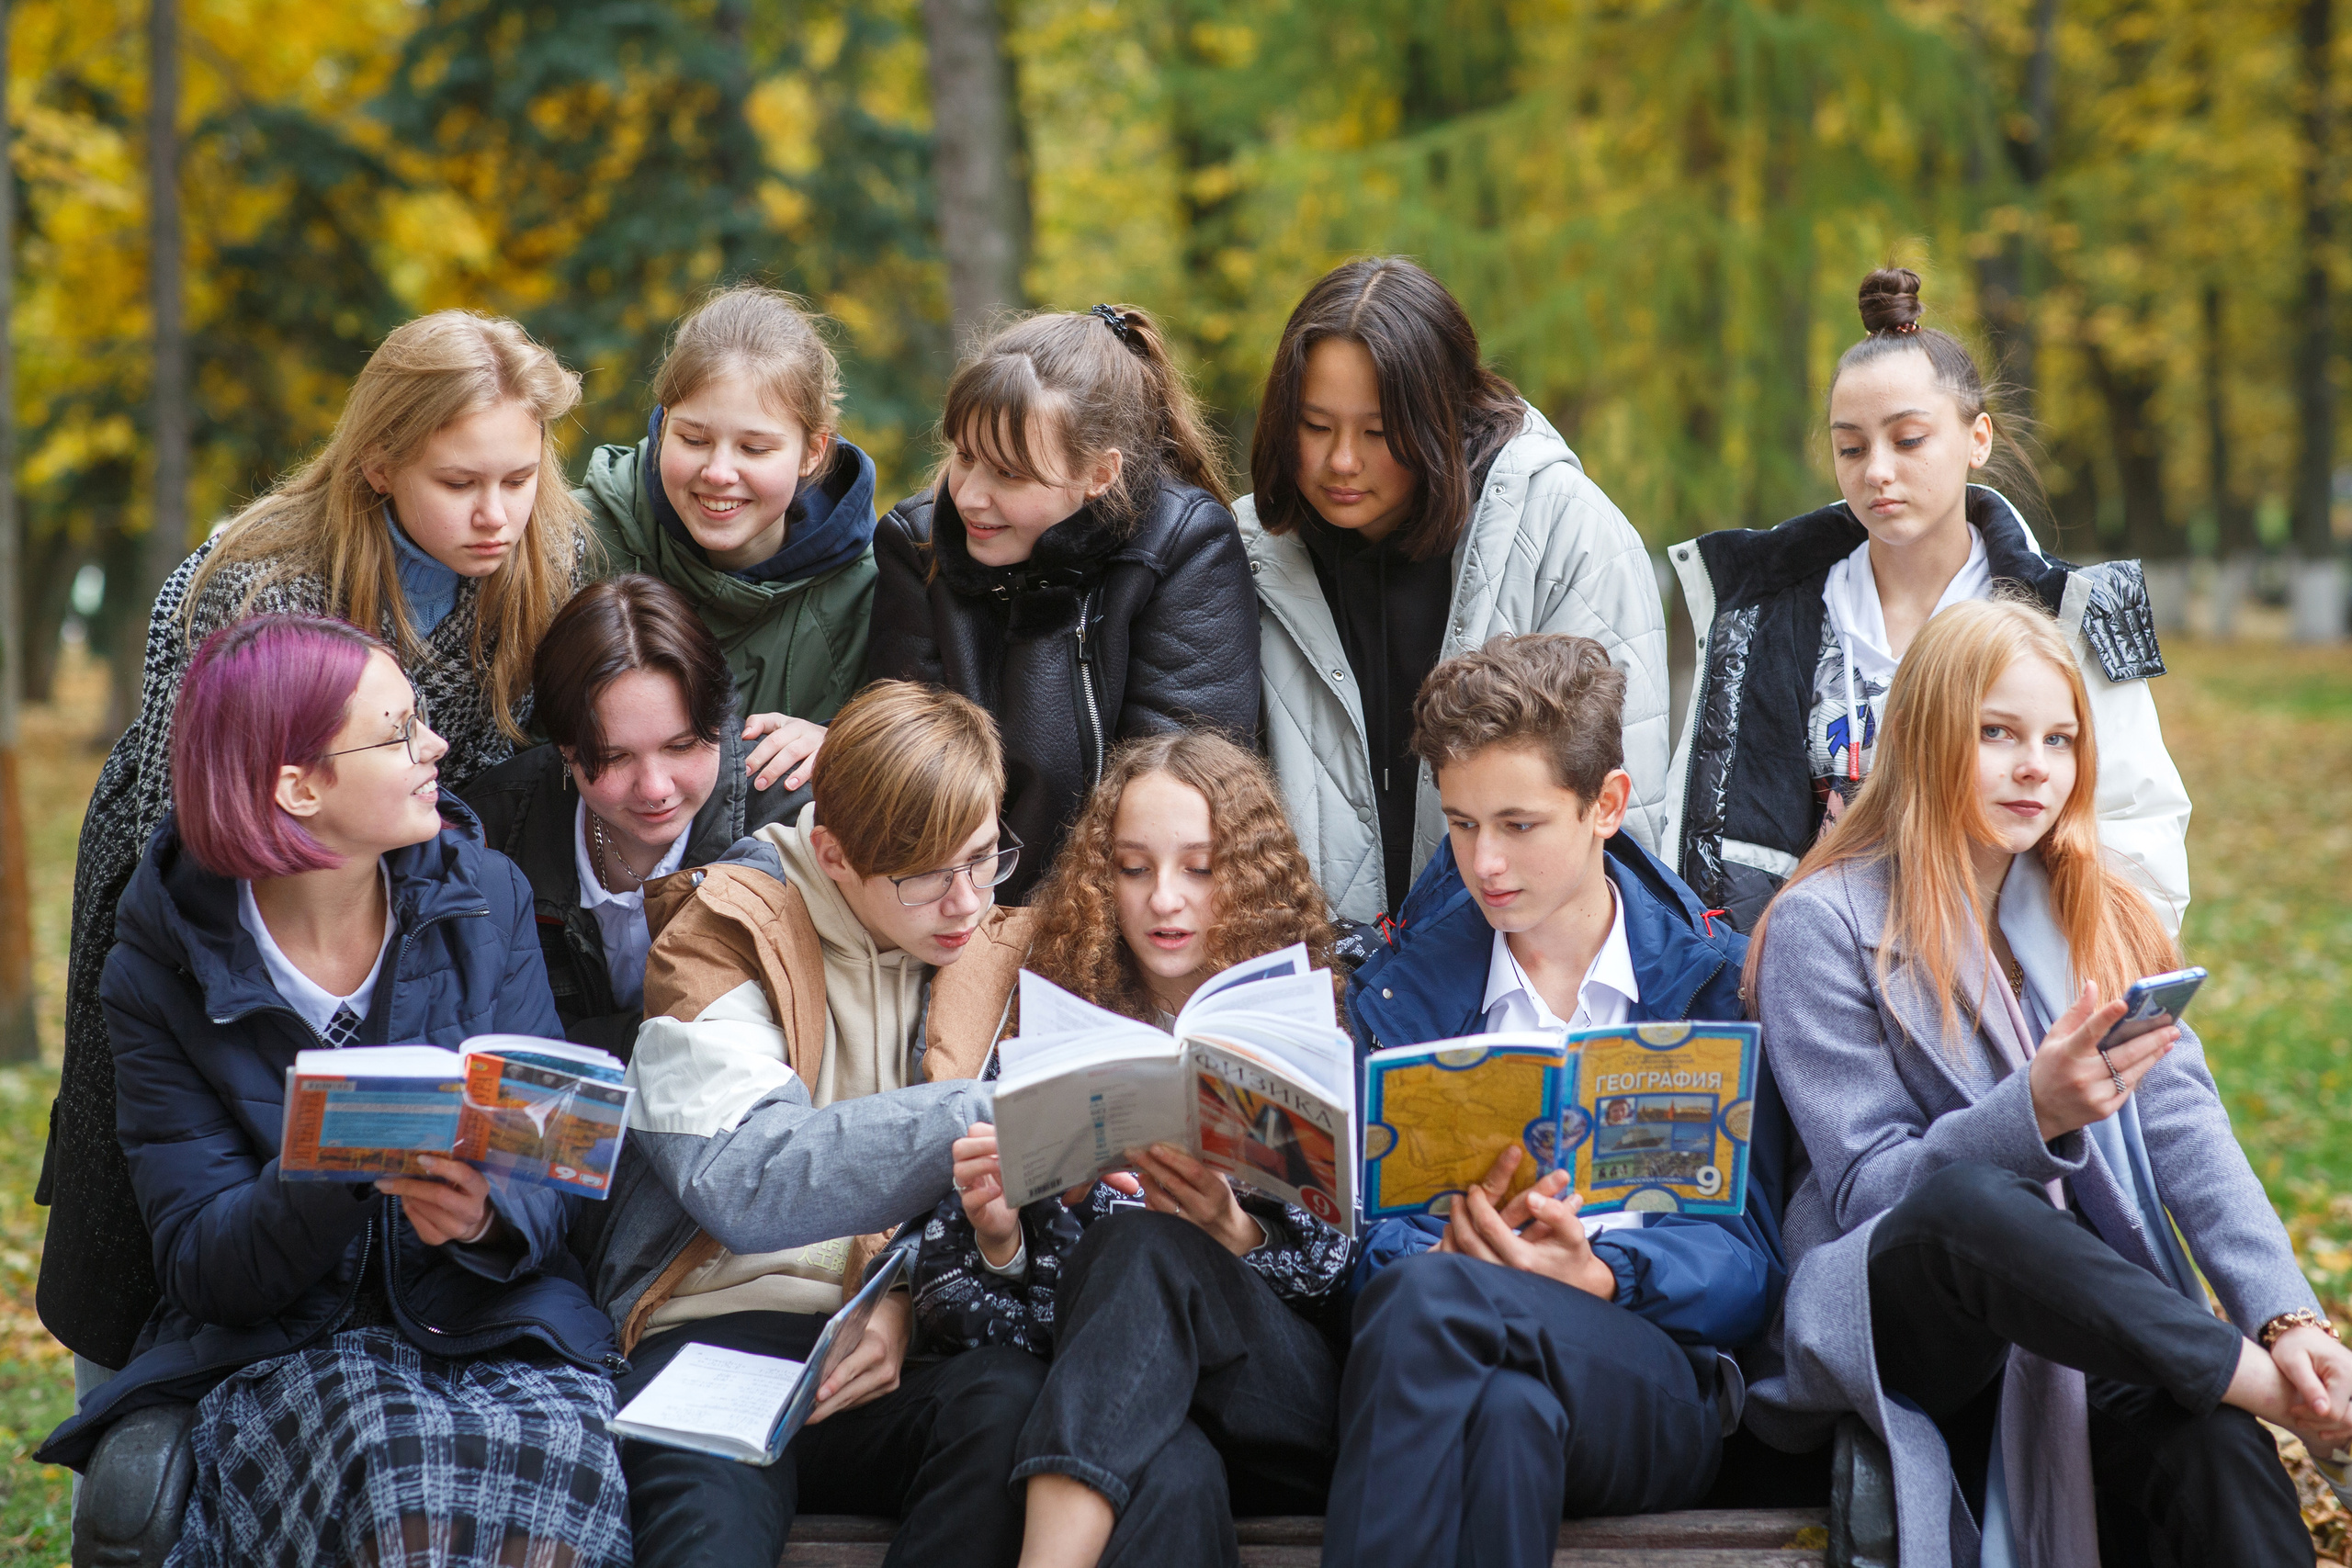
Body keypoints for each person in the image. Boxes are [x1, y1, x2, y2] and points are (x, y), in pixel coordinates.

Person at [1743, 597, 2350, 1568]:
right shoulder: (1824, 924)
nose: (2036, 765)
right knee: (1970, 1202)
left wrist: (2284, 1315)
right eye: (1997, 734)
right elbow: (1871, 1190)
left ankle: (2254, 1390)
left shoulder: (2095, 911)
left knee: (2214, 1452)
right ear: (1928, 735)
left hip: (2089, 1325)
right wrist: (2033, 1112)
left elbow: (2186, 1129)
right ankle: (2257, 1386)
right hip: (1910, 1324)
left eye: (2059, 739)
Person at [48, 310, 593, 1386]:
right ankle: (136, 1441)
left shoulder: (540, 559)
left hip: (402, 889)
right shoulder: (260, 586)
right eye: (459, 483)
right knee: (157, 1176)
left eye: (519, 477)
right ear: (380, 464)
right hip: (201, 899)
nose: (497, 513)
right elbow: (201, 819)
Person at [37, 615, 628, 1568]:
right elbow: (200, 1262)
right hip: (283, 1349)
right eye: (398, 733)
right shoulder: (158, 963)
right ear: (296, 786)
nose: (434, 746)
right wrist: (336, 1165)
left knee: (550, 1456)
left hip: (488, 1325)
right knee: (396, 1465)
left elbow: (551, 1169)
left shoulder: (489, 893)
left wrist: (486, 1219)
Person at [1326, 634, 1786, 1567]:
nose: (1483, 863)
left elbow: (1751, 1267)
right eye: (1459, 825)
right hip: (1475, 1370)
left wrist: (1607, 1276)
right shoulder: (1400, 994)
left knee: (1434, 1299)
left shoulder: (1712, 987)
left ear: (1604, 805)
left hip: (1652, 1379)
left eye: (1518, 824)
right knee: (1505, 1415)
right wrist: (1447, 1247)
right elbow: (1360, 1240)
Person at [582, 679, 1046, 1568]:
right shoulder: (720, 928)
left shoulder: (998, 951)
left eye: (985, 857)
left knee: (1004, 1407)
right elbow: (748, 1181)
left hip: (886, 1344)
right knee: (707, 1539)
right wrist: (981, 1115)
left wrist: (902, 1296)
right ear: (831, 853)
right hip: (712, 1331)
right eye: (925, 877)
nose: (965, 902)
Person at [922, 730, 1355, 1568]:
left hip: (1277, 1402)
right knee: (1174, 1476)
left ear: (1252, 872)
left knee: (1148, 1244)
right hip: (1114, 1420)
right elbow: (953, 1305)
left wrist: (1236, 1233)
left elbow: (1350, 1270)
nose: (1165, 899)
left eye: (1200, 867)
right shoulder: (1050, 1014)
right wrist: (1000, 1241)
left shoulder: (1317, 1004)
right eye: (1133, 867)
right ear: (1100, 875)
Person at [1661, 265, 2192, 935]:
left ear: (1978, 439)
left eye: (1908, 440)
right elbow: (1699, 832)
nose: (1876, 470)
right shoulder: (1757, 611)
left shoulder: (2071, 613)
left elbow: (2136, 828)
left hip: (2011, 1000)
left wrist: (2090, 992)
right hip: (1806, 993)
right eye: (1850, 447)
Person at [1234, 257, 1672, 928]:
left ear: (1442, 417)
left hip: (1514, 988)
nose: (1341, 460)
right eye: (1316, 427)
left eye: (1378, 432)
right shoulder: (1242, 552)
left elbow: (1620, 822)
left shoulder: (1565, 533)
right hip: (1303, 985)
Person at [865, 304, 1259, 903]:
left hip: (1125, 916)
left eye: (1009, 473)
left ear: (1099, 473)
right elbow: (908, 789)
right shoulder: (917, 545)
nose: (969, 495)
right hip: (957, 910)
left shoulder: (1184, 545)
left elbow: (1182, 798)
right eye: (965, 456)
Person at [460, 575, 802, 1055]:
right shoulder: (491, 829)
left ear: (721, 721)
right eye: (615, 758)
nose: (656, 789)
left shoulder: (789, 817)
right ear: (565, 748)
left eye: (682, 746)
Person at [579, 284, 881, 799]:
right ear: (663, 423)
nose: (718, 472)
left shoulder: (872, 595)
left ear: (812, 452)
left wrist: (845, 744)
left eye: (755, 448)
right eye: (693, 440)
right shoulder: (576, 542)